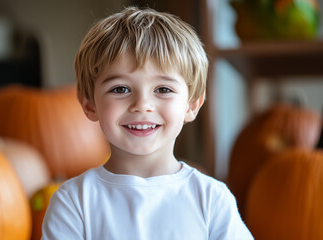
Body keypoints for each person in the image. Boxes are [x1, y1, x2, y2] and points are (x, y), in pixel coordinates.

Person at [41, 6, 253, 240]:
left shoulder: (212, 199)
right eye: (120, 89)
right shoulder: (73, 202)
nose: (142, 105)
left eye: (163, 89)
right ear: (90, 104)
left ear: (192, 104)